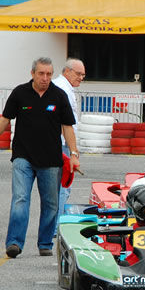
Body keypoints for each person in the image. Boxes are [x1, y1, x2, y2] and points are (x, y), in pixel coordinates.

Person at [0, 57, 79, 259]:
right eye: (41, 73)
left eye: (49, 74)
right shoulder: (20, 93)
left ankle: (44, 243)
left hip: (51, 160)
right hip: (23, 156)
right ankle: (14, 242)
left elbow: (68, 127)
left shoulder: (59, 96)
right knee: (20, 200)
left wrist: (74, 155)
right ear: (32, 73)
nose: (45, 78)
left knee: (50, 204)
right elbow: (4, 120)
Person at [52, 58, 85, 216]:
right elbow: (61, 120)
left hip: (62, 143)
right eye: (78, 74)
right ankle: (57, 225)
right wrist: (72, 150)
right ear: (67, 71)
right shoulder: (62, 88)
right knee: (63, 186)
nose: (81, 77)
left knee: (60, 186)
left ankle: (54, 225)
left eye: (83, 75)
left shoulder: (64, 87)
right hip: (62, 145)